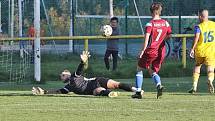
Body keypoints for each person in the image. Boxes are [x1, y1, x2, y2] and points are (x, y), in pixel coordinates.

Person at [32, 51, 142, 97]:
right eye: (61, 76)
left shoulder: (74, 76)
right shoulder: (67, 87)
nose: (61, 76)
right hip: (92, 90)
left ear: (67, 74)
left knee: (117, 84)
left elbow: (79, 69)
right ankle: (110, 94)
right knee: (99, 92)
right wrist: (44, 92)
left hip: (97, 81)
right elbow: (58, 91)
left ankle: (137, 90)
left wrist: (82, 62)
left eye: (62, 75)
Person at [131, 2, 172, 99]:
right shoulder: (166, 23)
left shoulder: (150, 24)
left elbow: (146, 40)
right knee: (152, 70)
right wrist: (162, 41)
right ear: (160, 11)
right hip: (161, 51)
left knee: (139, 69)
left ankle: (138, 92)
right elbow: (170, 35)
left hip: (151, 50)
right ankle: (158, 85)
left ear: (151, 12)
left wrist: (142, 51)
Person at [188, 9, 215, 94]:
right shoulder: (214, 25)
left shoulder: (199, 26)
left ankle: (194, 86)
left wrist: (192, 49)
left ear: (200, 16)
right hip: (210, 51)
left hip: (200, 51)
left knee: (197, 66)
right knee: (210, 67)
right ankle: (210, 80)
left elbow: (196, 38)